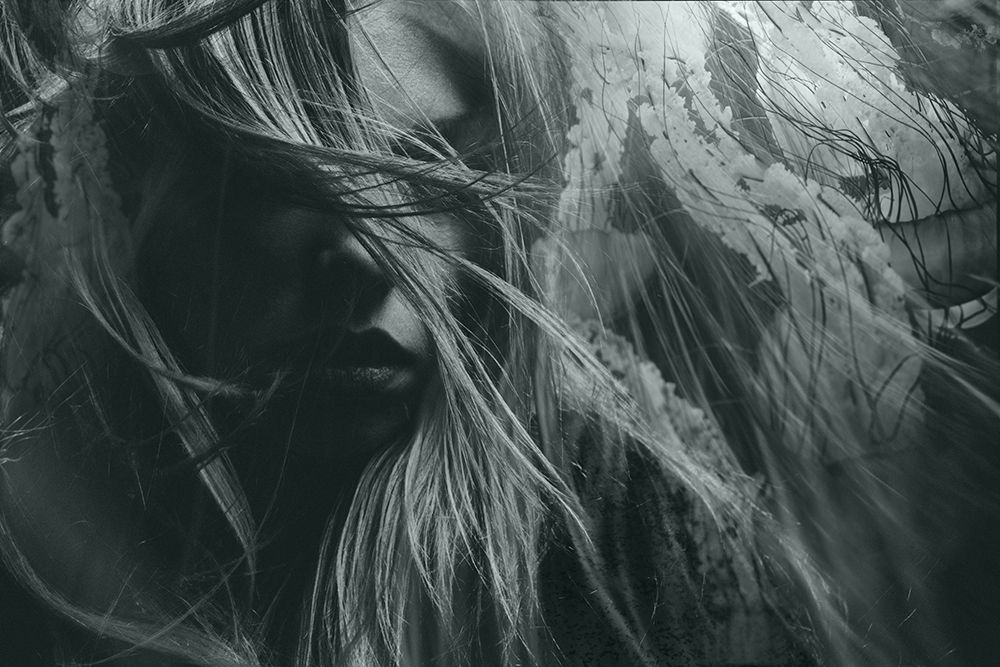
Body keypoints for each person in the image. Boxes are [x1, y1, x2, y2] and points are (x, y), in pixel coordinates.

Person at [0, 1, 995, 665]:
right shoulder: (49, 547)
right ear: (155, 210)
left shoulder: (621, 531)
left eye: (424, 162)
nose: (359, 254)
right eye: (273, 184)